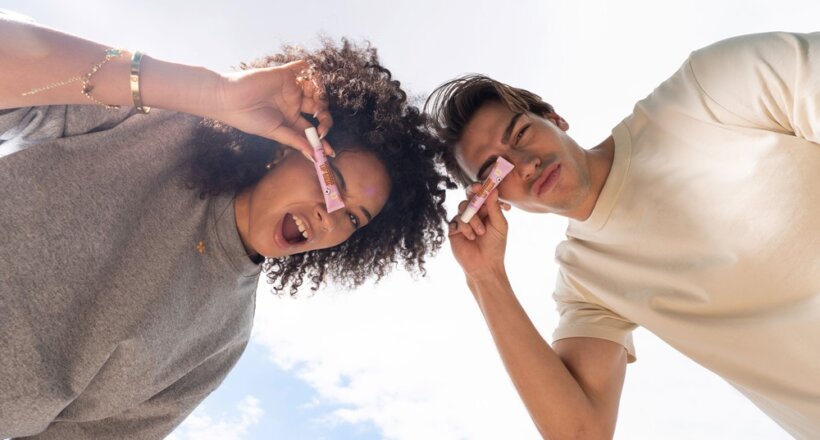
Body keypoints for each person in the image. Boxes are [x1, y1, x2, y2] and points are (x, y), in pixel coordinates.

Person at [0, 12, 450, 439]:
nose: (330, 214)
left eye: (353, 218)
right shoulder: (157, 121)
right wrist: (211, 93)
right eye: (334, 180)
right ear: (288, 147)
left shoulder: (224, 337)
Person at [427, 32, 820, 439]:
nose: (524, 164)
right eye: (496, 170)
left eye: (521, 134)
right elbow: (581, 433)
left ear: (554, 117)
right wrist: (485, 276)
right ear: (495, 199)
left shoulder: (709, 90)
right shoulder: (586, 284)